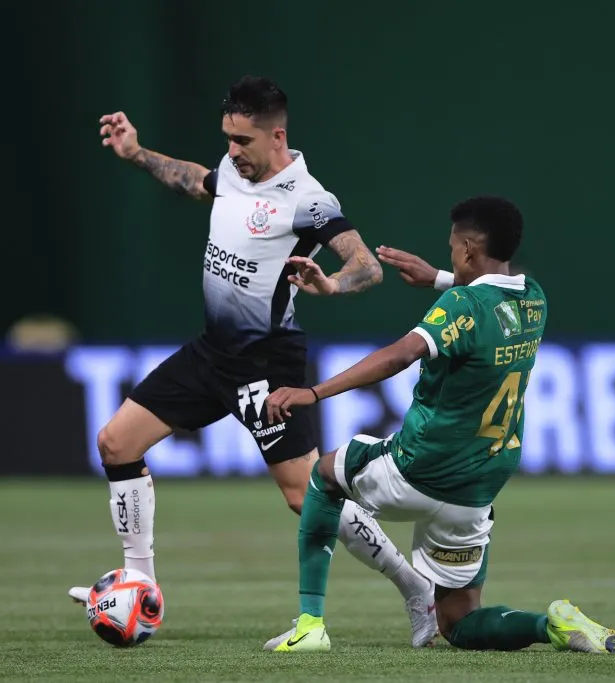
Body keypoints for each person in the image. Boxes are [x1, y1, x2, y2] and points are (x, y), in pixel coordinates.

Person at [70, 76, 438, 648]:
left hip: (266, 367)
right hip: (210, 352)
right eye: (228, 138)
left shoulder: (309, 199)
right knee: (116, 443)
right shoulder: (233, 172)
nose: (233, 151)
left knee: (305, 495)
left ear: (277, 135)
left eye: (242, 141)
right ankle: (139, 581)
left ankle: (416, 589)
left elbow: (366, 266)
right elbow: (196, 181)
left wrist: (330, 285)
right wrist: (136, 152)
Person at [262, 196, 615, 654]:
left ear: (467, 250)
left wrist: (312, 392)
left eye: (452, 248)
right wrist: (438, 278)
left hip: (420, 468)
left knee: (323, 478)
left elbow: (400, 354)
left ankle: (310, 626)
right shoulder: (534, 298)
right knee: (458, 623)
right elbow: (489, 303)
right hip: (477, 490)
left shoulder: (461, 302)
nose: (449, 256)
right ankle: (549, 625)